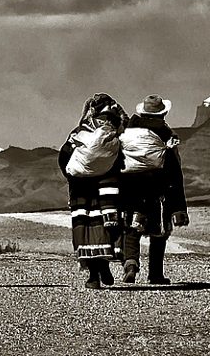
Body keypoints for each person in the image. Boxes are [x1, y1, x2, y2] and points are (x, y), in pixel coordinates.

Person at [59, 93, 128, 289]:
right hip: (107, 194)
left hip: (82, 193)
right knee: (105, 229)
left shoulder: (80, 131)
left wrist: (72, 176)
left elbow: (65, 159)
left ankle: (93, 275)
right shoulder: (117, 131)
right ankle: (103, 266)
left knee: (87, 231)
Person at [119, 94, 189, 285]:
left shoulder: (128, 130)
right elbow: (174, 172)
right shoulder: (165, 133)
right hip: (157, 190)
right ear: (162, 113)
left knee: (132, 228)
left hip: (131, 187)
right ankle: (155, 273)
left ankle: (131, 264)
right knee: (159, 233)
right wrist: (179, 207)